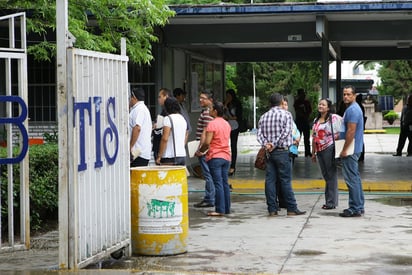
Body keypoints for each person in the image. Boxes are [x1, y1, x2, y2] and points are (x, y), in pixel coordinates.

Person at [257, 93, 306, 217]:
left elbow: (259, 135)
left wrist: (267, 145)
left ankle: (272, 209)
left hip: (269, 152)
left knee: (270, 181)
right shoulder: (286, 115)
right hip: (282, 151)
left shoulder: (263, 116)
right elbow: (286, 133)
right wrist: (273, 143)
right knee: (285, 180)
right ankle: (291, 208)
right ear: (280, 102)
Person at [196, 101, 231, 216]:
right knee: (224, 182)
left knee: (218, 183)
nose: (209, 111)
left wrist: (200, 151)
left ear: (215, 111)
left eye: (211, 109)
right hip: (226, 156)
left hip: (215, 156)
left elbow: (207, 142)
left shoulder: (212, 124)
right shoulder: (226, 124)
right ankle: (226, 208)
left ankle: (219, 210)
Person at [311, 98, 343, 210]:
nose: (320, 106)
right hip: (319, 151)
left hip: (329, 149)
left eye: (323, 105)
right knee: (326, 176)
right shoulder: (316, 120)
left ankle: (331, 202)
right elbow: (314, 137)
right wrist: (313, 152)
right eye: (319, 104)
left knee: (331, 176)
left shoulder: (334, 118)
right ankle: (329, 201)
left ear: (328, 107)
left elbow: (343, 129)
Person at [338, 85, 365, 217]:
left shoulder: (353, 110)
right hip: (354, 147)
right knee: (355, 178)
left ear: (354, 95)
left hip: (351, 149)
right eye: (344, 94)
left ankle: (354, 208)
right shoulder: (351, 109)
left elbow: (351, 131)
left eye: (349, 94)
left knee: (351, 179)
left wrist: (344, 149)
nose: (346, 96)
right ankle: (359, 206)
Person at [276, 96, 301, 209]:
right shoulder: (279, 118)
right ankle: (283, 201)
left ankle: (283, 200)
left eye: (286, 105)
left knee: (286, 177)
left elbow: (296, 131)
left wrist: (297, 138)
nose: (285, 107)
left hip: (292, 150)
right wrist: (293, 139)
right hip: (285, 150)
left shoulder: (289, 117)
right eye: (283, 104)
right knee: (283, 178)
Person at [193, 91, 215, 208]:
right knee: (209, 173)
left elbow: (205, 133)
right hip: (210, 148)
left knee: (207, 174)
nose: (201, 100)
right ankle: (209, 197)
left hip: (205, 148)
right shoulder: (211, 113)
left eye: (203, 98)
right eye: (200, 98)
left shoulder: (207, 113)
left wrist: (201, 149)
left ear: (210, 100)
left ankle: (210, 198)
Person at [155, 97, 188, 166]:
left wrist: (159, 156)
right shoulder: (182, 118)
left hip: (169, 156)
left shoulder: (168, 119)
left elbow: (165, 138)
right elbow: (186, 134)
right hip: (181, 154)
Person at [129, 87, 152, 167]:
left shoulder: (140, 109)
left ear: (134, 97)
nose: (129, 100)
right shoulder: (142, 108)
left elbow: (137, 128)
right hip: (140, 152)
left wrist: (130, 146)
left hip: (138, 153)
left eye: (130, 97)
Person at [224, 89, 243, 176]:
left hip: (235, 126)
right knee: (224, 145)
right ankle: (225, 165)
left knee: (233, 146)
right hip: (226, 127)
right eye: (226, 96)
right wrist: (225, 104)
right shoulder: (225, 104)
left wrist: (230, 118)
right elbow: (222, 113)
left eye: (229, 96)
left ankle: (233, 166)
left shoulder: (237, 104)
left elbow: (238, 116)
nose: (228, 98)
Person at [152, 88, 171, 160]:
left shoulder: (169, 113)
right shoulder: (164, 110)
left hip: (163, 149)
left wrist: (159, 155)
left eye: (160, 97)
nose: (158, 99)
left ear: (166, 96)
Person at [293, 88, 312, 157]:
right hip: (299, 121)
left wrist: (306, 114)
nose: (303, 95)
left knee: (307, 138)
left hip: (305, 121)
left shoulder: (307, 102)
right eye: (301, 94)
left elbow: (310, 111)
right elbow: (297, 111)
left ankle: (307, 152)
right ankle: (294, 151)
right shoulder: (297, 102)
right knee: (297, 137)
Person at [356, 94, 366, 162]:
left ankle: (360, 155)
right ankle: (361, 156)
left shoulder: (357, 107)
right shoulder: (361, 106)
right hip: (360, 126)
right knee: (360, 141)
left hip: (358, 126)